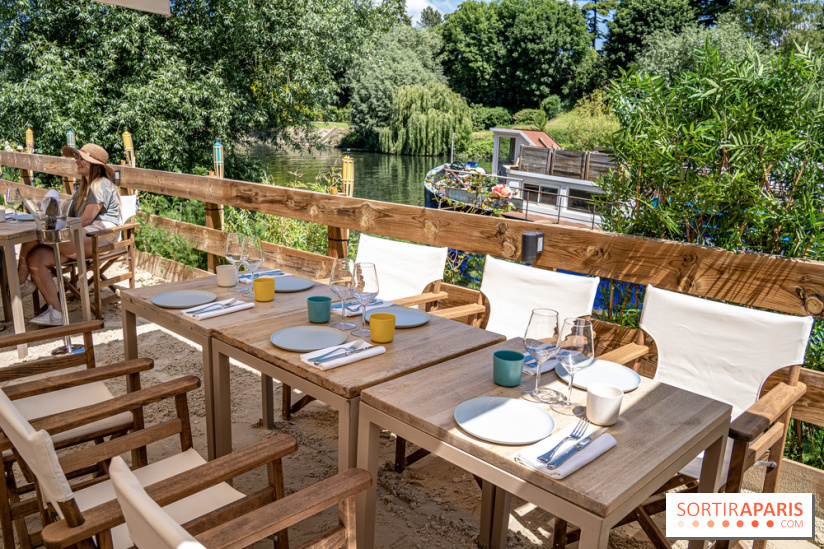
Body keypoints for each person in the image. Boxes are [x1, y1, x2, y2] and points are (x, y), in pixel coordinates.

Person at [18, 143, 122, 326]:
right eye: (78, 158)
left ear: (94, 164)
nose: (78, 161)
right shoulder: (82, 188)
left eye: (82, 159)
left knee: (38, 234)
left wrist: (55, 225)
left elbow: (87, 219)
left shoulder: (100, 184)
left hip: (99, 236)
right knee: (35, 258)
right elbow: (71, 216)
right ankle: (56, 312)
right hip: (80, 237)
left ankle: (19, 284)